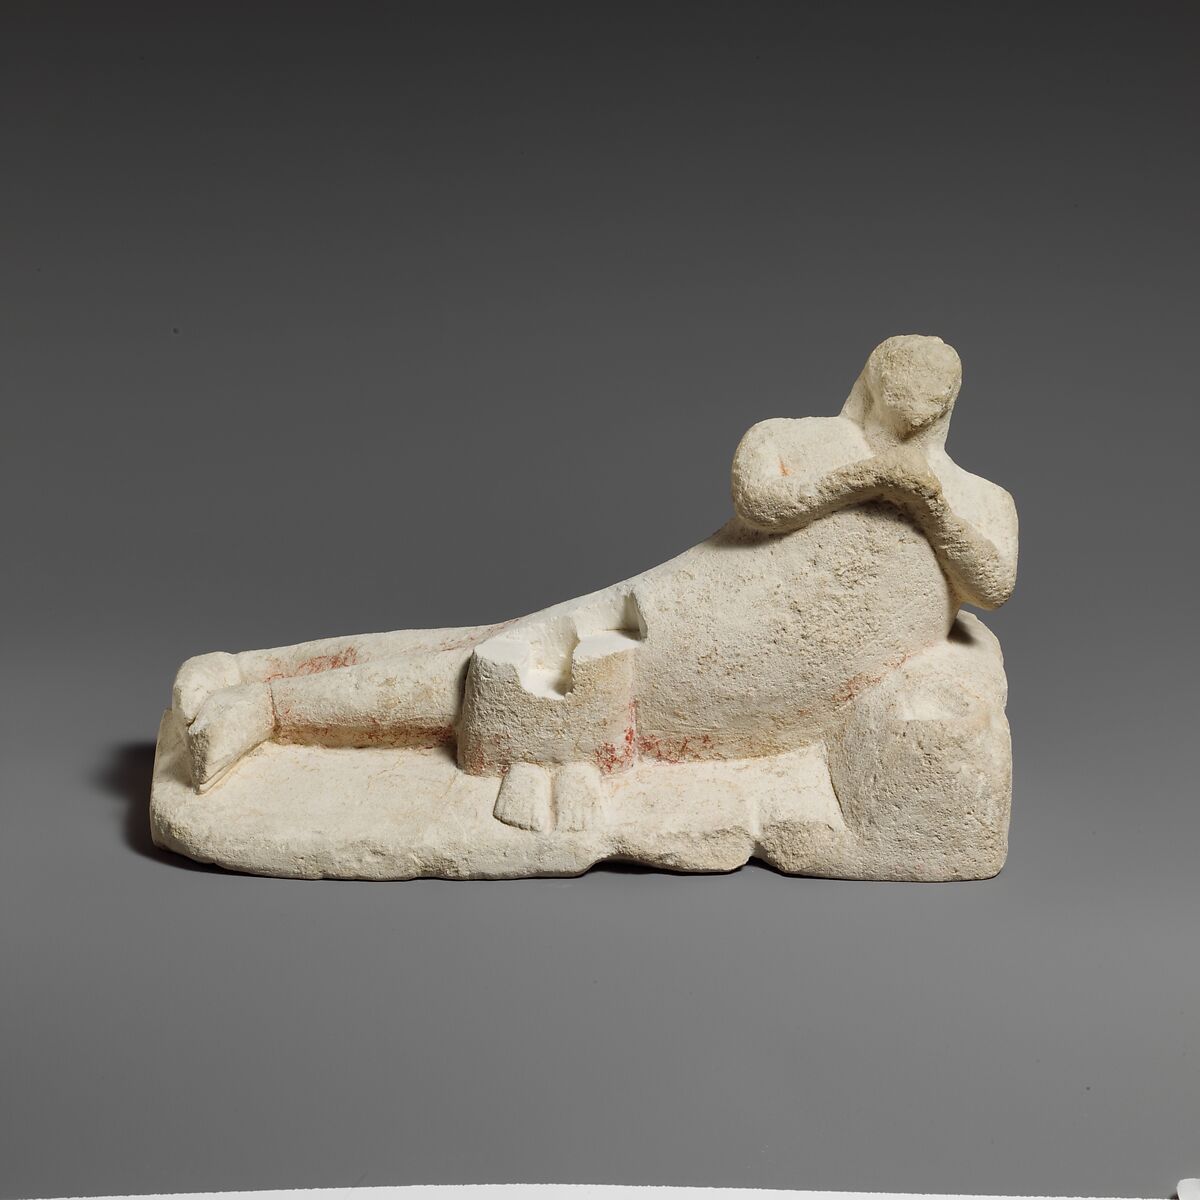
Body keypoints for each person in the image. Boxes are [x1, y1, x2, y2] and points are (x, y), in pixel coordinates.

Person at [174, 335, 1018, 833]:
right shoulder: (799, 439)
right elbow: (760, 499)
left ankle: (261, 691)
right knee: (476, 664)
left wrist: (926, 498)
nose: (904, 421)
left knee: (474, 665)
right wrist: (869, 478)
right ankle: (260, 688)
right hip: (672, 619)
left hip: (755, 698)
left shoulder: (978, 500)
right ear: (868, 386)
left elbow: (993, 583)